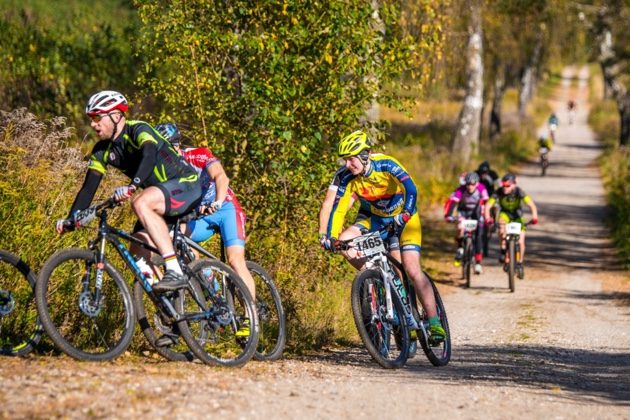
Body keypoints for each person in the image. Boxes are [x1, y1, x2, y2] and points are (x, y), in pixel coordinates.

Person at [56, 91, 201, 293]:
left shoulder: (138, 129)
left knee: (140, 202)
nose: (93, 124)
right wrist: (71, 218)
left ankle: (174, 270)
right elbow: (88, 188)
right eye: (91, 119)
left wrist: (133, 186)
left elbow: (149, 156)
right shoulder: (101, 151)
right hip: (158, 198)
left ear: (116, 116)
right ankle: (168, 306)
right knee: (137, 250)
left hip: (187, 184)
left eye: (97, 117)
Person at [321, 130, 446, 343]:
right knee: (345, 243)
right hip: (376, 219)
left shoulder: (386, 164)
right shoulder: (347, 177)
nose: (348, 164)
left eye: (352, 159)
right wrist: (330, 237)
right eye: (345, 160)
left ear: (364, 155)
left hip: (404, 219)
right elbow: (338, 209)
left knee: (411, 268)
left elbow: (411, 189)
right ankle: (375, 274)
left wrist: (405, 213)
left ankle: (434, 322)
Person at [154, 122, 256, 338]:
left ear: (177, 145)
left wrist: (218, 202)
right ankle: (215, 292)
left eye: (167, 148)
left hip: (225, 208)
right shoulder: (165, 169)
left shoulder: (197, 155)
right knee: (177, 240)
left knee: (235, 260)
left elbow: (221, 177)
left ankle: (250, 317)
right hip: (200, 215)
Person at [484, 173, 538, 276]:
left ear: (514, 185)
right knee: (501, 227)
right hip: (505, 215)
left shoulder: (519, 192)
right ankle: (503, 249)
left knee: (521, 242)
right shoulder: (499, 192)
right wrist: (487, 218)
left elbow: (531, 204)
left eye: (508, 186)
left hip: (517, 216)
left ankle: (520, 263)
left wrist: (534, 217)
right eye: (503, 185)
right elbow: (488, 206)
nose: (505, 188)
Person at [443, 172, 489, 274]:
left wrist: (487, 217)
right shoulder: (461, 189)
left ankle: (478, 263)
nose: (470, 187)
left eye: (473, 184)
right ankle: (460, 248)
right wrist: (448, 216)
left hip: (476, 212)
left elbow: (487, 203)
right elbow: (453, 203)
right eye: (468, 184)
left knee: (478, 236)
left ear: (477, 183)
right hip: (463, 212)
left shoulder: (482, 188)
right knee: (460, 227)